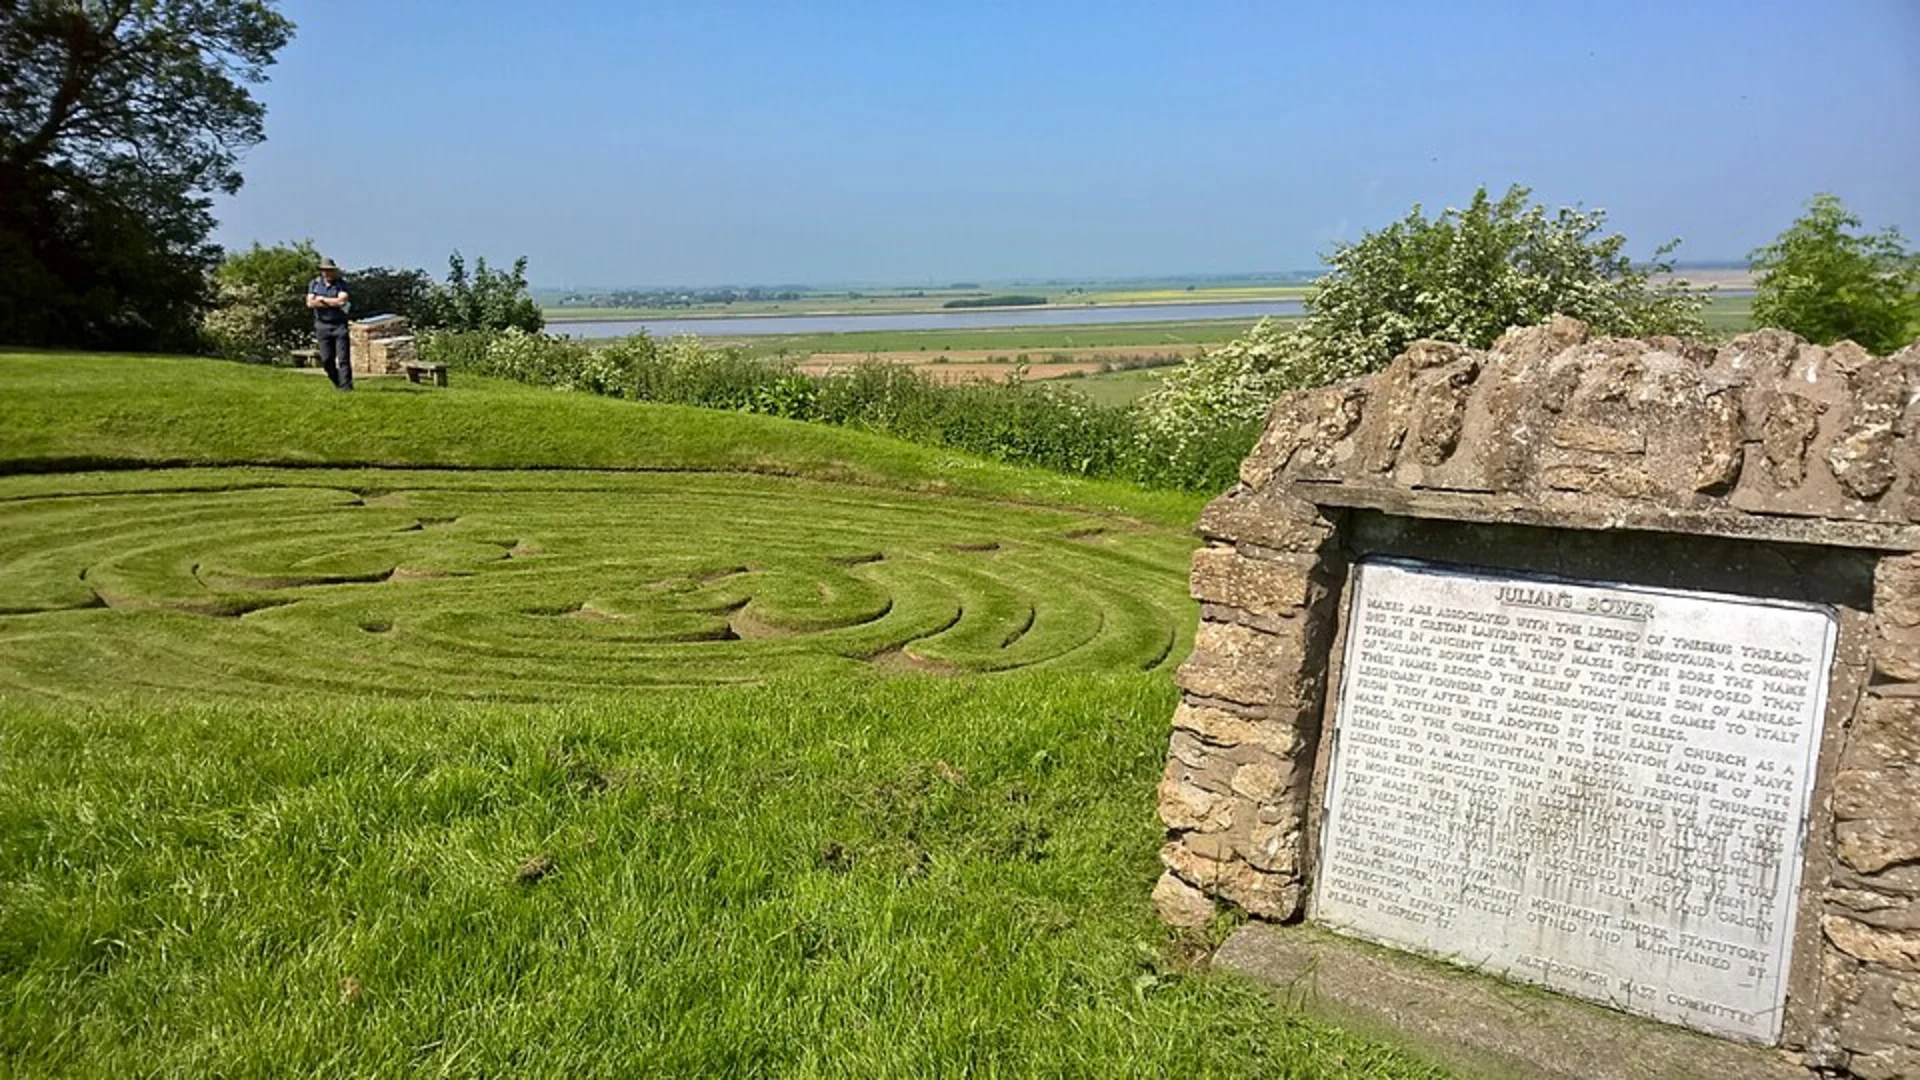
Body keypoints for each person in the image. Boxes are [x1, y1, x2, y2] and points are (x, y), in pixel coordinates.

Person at [307, 257, 354, 390]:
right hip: (322, 325)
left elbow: (342, 301)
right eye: (324, 270)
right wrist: (331, 302)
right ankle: (337, 381)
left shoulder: (341, 284)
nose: (327, 273)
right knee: (327, 359)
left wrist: (322, 300)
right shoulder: (315, 283)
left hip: (339, 325)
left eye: (329, 270)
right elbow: (310, 303)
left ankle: (346, 389)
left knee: (343, 359)